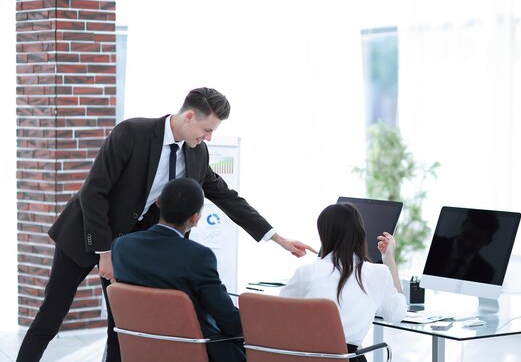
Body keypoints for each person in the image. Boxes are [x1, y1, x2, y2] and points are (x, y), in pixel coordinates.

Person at [17, 88, 315, 362]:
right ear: (189, 116)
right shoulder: (132, 132)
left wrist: (278, 238)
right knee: (51, 317)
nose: (209, 137)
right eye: (207, 129)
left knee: (121, 327)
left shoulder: (197, 152)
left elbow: (226, 196)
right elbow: (93, 191)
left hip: (130, 246)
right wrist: (104, 251)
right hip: (86, 233)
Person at [112, 177, 245, 362]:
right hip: (195, 351)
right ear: (194, 218)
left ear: (158, 202)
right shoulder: (198, 256)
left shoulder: (121, 247)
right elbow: (229, 323)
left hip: (142, 351)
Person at [279, 203, 406, 362]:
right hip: (346, 358)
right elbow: (396, 315)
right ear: (360, 233)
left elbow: (279, 316)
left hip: (303, 357)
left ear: (324, 236)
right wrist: (390, 261)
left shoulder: (306, 272)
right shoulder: (377, 273)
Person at [423, 210, 499, 283]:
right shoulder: (431, 244)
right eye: (466, 235)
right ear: (462, 226)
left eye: (476, 241)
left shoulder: (486, 273)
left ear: (488, 241)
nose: (467, 244)